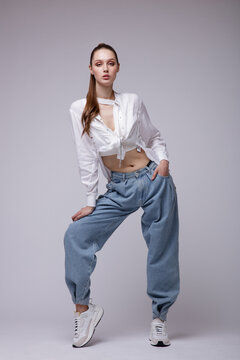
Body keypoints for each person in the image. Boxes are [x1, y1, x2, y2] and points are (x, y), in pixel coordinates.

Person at [64, 42, 180, 348]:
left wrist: (164, 160)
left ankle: (159, 320)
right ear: (91, 69)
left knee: (161, 250)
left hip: (154, 180)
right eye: (99, 63)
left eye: (111, 63)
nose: (105, 68)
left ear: (117, 68)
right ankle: (84, 310)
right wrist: (91, 200)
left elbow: (152, 135)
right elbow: (86, 157)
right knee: (76, 236)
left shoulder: (132, 100)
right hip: (120, 188)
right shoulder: (80, 109)